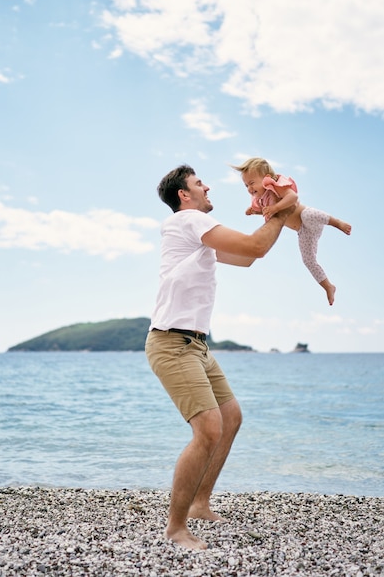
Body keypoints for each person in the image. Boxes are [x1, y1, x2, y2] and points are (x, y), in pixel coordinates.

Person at [145, 164, 295, 550]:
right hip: (171, 343)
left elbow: (248, 257)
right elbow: (255, 246)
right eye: (199, 183)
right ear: (184, 195)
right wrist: (279, 207)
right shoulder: (187, 220)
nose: (207, 187)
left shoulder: (198, 237)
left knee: (230, 417)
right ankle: (176, 528)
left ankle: (199, 503)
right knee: (208, 429)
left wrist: (274, 212)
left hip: (196, 345)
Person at [231, 157, 351, 306]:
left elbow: (293, 197)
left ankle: (336, 222)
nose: (249, 188)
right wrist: (255, 212)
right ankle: (328, 286)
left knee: (307, 214)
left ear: (266, 178)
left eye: (251, 183)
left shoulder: (274, 186)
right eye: (246, 185)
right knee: (308, 260)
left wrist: (275, 208)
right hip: (303, 231)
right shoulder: (261, 199)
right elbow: (267, 212)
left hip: (308, 218)